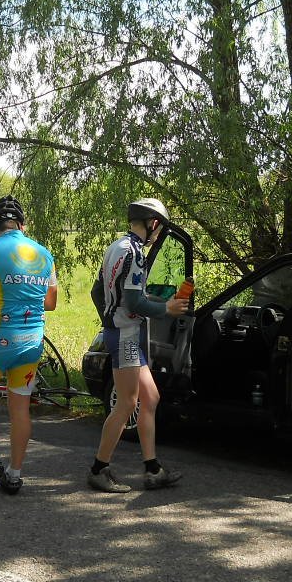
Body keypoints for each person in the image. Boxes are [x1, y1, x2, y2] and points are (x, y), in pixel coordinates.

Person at [87, 198, 189, 493]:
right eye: (160, 229)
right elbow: (133, 301)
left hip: (122, 333)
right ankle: (98, 469)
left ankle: (152, 468)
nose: (158, 234)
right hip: (127, 337)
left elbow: (98, 292)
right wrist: (166, 309)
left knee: (151, 397)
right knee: (128, 403)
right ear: (153, 223)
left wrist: (109, 320)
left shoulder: (115, 248)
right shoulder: (135, 254)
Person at [0, 195, 57, 494]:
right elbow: (51, 302)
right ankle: (14, 474)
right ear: (21, 224)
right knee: (20, 409)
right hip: (32, 340)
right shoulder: (45, 254)